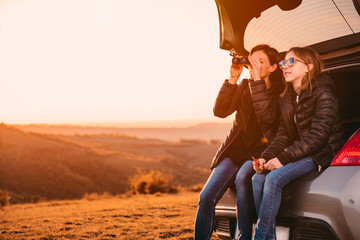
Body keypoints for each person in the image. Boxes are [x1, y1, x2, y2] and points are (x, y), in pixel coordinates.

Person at [251, 47, 344, 240]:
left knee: (273, 178)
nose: (285, 66)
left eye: (291, 62)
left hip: (322, 151)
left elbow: (318, 137)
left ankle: (260, 237)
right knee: (257, 178)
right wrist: (265, 157)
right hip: (301, 150)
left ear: (309, 67)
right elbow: (283, 135)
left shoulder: (324, 93)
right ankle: (269, 237)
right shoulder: (288, 97)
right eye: (284, 62)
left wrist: (282, 159)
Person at [194, 44, 284, 240]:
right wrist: (232, 80)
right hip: (234, 152)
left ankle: (243, 236)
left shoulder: (280, 93)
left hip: (259, 153)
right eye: (252, 61)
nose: (255, 66)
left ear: (274, 67)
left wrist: (257, 80)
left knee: (242, 179)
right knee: (206, 198)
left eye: (261, 62)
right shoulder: (244, 86)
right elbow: (220, 111)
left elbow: (267, 117)